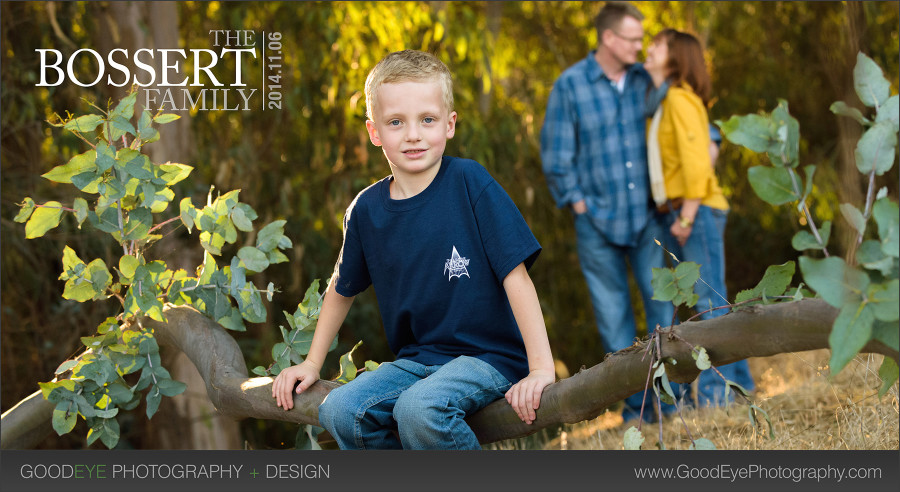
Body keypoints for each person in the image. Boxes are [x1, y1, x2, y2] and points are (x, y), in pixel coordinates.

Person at [272, 50, 555, 449]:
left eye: (427, 119)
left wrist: (540, 368)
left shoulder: (470, 183)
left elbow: (517, 277)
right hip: (418, 361)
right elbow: (341, 290)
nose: (413, 134)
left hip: (490, 358)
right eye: (395, 122)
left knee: (418, 410)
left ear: (449, 124)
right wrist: (312, 363)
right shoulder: (366, 210)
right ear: (374, 133)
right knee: (339, 411)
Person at [540, 2, 675, 421]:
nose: (641, 45)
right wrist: (578, 202)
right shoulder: (570, 85)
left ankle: (671, 404)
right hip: (596, 223)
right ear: (610, 39)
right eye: (634, 39)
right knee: (615, 325)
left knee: (663, 314)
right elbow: (556, 155)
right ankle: (636, 410)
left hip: (646, 219)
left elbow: (683, 111)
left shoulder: (644, 80)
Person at [643, 28, 755, 405]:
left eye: (656, 45)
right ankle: (739, 387)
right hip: (681, 209)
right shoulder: (664, 101)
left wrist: (687, 215)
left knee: (709, 304)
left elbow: (697, 164)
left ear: (675, 57)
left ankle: (714, 397)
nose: (648, 49)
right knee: (711, 303)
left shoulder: (678, 99)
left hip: (695, 209)